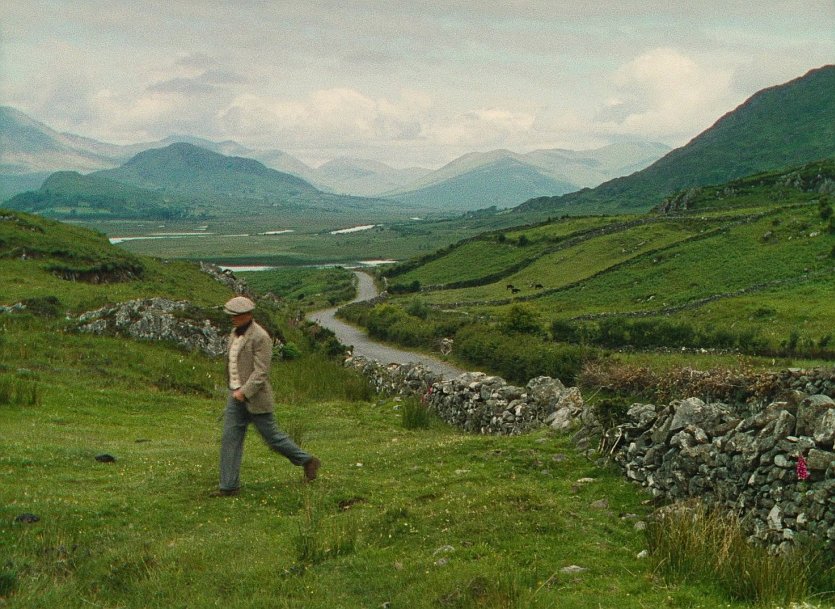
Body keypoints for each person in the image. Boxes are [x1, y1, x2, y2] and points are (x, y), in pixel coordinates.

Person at [212, 296, 320, 496]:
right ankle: (229, 486)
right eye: (231, 315)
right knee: (230, 439)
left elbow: (261, 372)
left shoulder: (261, 337)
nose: (232, 319)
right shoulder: (234, 333)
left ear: (247, 315)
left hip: (256, 398)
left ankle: (307, 460)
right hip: (235, 396)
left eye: (235, 315)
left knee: (273, 438)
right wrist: (234, 390)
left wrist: (244, 392)